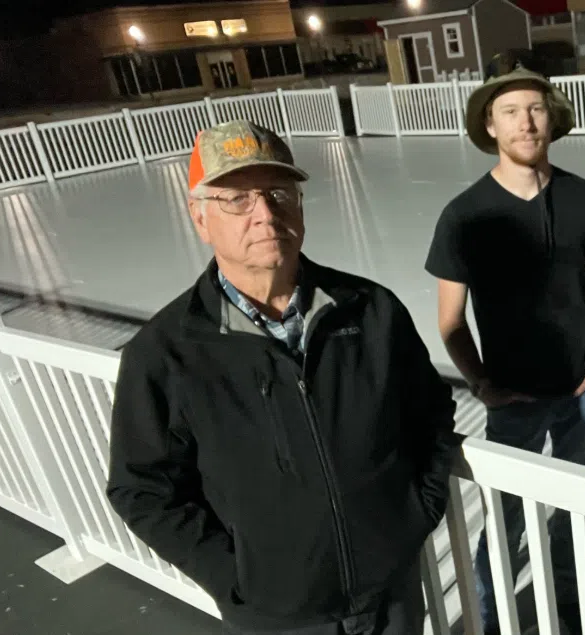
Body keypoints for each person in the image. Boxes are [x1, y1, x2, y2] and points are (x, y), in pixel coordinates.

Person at [106, 120, 460, 635]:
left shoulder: (370, 310)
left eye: (278, 193)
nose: (265, 214)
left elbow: (430, 412)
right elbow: (142, 489)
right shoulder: (166, 353)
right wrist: (239, 580)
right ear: (200, 217)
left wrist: (415, 513)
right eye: (237, 199)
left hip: (392, 594)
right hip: (278, 620)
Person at [424, 54, 585, 635]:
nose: (526, 122)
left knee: (574, 506)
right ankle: (492, 618)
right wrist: (482, 384)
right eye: (510, 111)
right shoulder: (464, 215)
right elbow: (451, 319)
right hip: (514, 396)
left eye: (535, 108)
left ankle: (567, 601)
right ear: (490, 126)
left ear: (551, 116)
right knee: (506, 514)